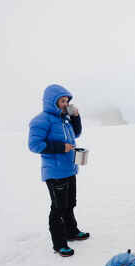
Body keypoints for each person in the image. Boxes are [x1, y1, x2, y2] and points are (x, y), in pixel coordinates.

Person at [28, 84, 90, 257]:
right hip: (54, 172)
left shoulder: (64, 119)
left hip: (69, 168)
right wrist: (60, 147)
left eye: (67, 101)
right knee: (58, 208)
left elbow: (76, 134)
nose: (65, 104)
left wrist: (76, 117)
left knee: (70, 203)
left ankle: (71, 232)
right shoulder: (41, 120)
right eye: (62, 101)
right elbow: (34, 145)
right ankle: (59, 244)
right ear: (51, 102)